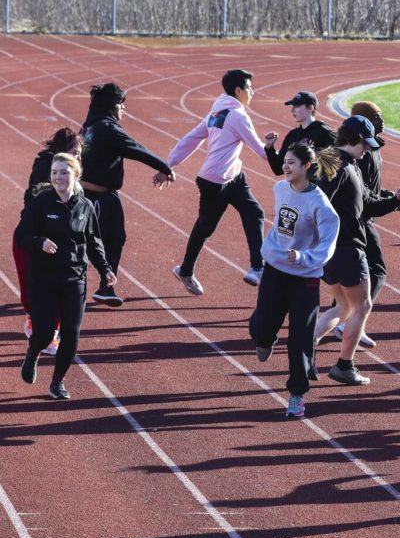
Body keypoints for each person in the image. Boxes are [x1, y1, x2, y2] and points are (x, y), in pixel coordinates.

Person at [250, 143, 340, 419]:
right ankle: (265, 339)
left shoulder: (321, 205)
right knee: (261, 328)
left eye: (291, 163)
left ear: (306, 167)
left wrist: (303, 257)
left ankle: (297, 394)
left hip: (305, 279)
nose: (286, 167)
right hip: (276, 270)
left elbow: (328, 245)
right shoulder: (279, 188)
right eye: (285, 162)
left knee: (300, 339)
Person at [15, 153, 115, 400]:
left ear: (76, 174)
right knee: (45, 333)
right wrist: (40, 242)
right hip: (43, 279)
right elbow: (22, 236)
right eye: (54, 172)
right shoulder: (40, 203)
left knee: (71, 333)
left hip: (74, 279)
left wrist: (105, 269)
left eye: (63, 172)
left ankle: (57, 382)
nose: (58, 177)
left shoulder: (85, 206)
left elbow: (93, 242)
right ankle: (33, 353)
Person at [166, 68, 272, 294]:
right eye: (250, 89)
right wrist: (284, 158)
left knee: (254, 212)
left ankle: (257, 268)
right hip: (214, 180)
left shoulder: (217, 112)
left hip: (234, 176)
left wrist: (170, 163)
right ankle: (185, 271)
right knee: (205, 227)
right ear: (238, 90)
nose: (252, 93)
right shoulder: (237, 116)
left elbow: (191, 139)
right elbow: (260, 150)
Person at [79, 82, 175, 307]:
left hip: (91, 194)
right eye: (122, 104)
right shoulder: (109, 129)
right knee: (102, 241)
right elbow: (136, 149)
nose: (124, 109)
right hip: (99, 197)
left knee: (100, 240)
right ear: (113, 106)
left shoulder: (90, 125)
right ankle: (103, 285)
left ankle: (101, 284)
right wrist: (166, 167)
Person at [312, 115, 379, 386]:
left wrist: (393, 201)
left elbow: (361, 204)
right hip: (346, 248)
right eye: (365, 144)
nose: (367, 150)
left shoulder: (332, 160)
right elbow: (321, 201)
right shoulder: (340, 165)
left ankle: (306, 347)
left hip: (330, 248)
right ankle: (344, 365)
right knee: (362, 305)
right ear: (352, 140)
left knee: (344, 305)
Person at [342, 100, 400, 350]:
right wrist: (390, 201)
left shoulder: (372, 148)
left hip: (362, 216)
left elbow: (370, 190)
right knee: (377, 270)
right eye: (378, 117)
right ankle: (351, 321)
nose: (383, 121)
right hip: (360, 221)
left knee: (351, 277)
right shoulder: (362, 153)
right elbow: (363, 196)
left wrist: (390, 198)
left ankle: (345, 318)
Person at [16, 128, 81, 346]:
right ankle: (38, 324)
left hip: (61, 242)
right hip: (34, 238)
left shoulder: (72, 175)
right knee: (35, 289)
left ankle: (50, 331)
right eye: (75, 153)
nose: (79, 158)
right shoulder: (46, 171)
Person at [263, 91, 335, 176]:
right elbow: (278, 169)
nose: (292, 110)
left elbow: (338, 164)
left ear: (310, 108)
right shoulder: (292, 135)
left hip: (317, 188)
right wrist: (269, 148)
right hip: (297, 187)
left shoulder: (325, 133)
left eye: (297, 106)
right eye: (292, 106)